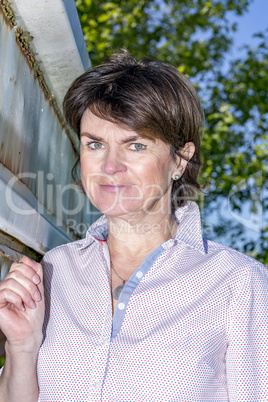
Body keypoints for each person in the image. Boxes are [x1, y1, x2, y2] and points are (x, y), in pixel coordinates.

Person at [0, 49, 267, 402]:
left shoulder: (238, 283)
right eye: (95, 144)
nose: (110, 165)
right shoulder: (53, 269)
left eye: (136, 145)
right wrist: (22, 347)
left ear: (180, 158)